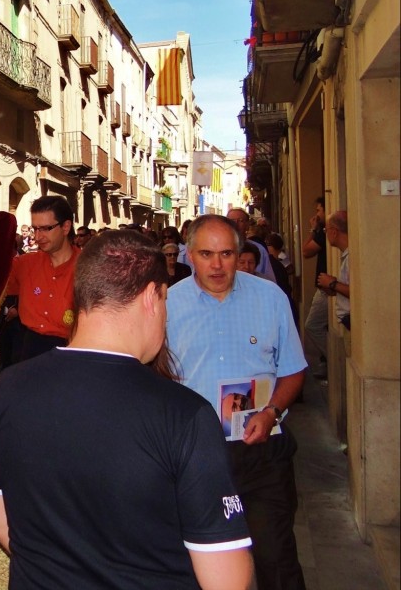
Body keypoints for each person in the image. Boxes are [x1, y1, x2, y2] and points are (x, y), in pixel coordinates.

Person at [0, 231, 253, 589]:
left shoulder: (9, 388)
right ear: (152, 297)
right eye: (165, 300)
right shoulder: (185, 415)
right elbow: (226, 579)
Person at [167, 214, 308, 590]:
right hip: (194, 456)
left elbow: (293, 370)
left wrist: (272, 411)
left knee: (276, 557)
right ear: (189, 256)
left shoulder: (270, 298)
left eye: (226, 254)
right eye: (206, 254)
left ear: (240, 252)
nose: (217, 265)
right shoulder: (167, 304)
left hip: (261, 452)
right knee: (197, 563)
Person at [4, 195, 79, 363]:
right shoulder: (25, 264)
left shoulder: (88, 267)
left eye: (45, 228)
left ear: (66, 227)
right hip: (29, 349)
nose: (38, 237)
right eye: (35, 229)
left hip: (72, 352)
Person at [301, 198, 329, 378]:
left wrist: (312, 229)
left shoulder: (323, 232)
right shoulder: (325, 231)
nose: (317, 214)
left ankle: (333, 360)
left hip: (326, 288)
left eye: (319, 210)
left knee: (312, 325)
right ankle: (327, 362)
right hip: (326, 286)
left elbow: (306, 251)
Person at [317, 211, 350, 330]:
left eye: (326, 230)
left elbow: (357, 291)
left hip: (351, 320)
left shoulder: (351, 257)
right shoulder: (346, 255)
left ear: (334, 232)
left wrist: (332, 283)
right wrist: (331, 287)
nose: (325, 234)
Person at [227, 208, 276, 282]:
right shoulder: (217, 249)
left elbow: (270, 281)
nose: (236, 224)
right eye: (232, 221)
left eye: (240, 220)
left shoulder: (259, 249)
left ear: (247, 225)